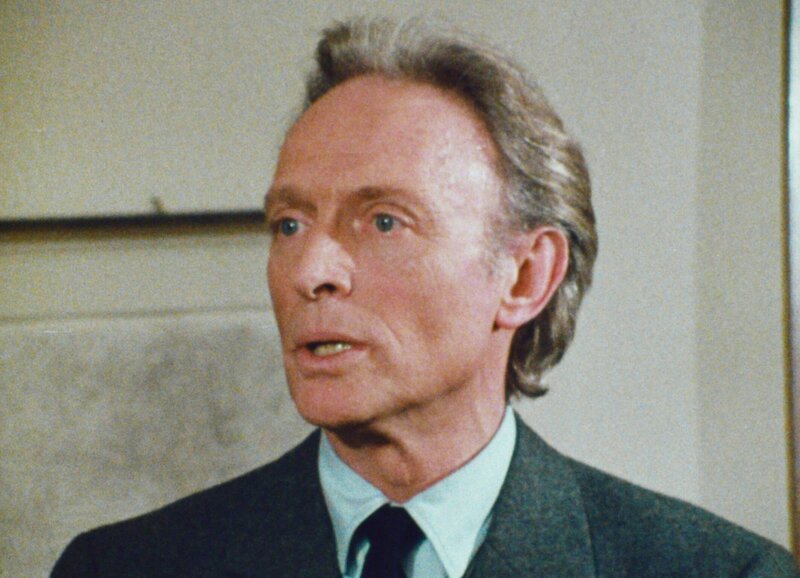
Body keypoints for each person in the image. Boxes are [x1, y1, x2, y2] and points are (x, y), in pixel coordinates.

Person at [52, 17, 798, 577]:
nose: (311, 270)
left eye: (384, 221)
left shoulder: (722, 572)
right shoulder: (121, 569)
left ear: (525, 277)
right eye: (289, 224)